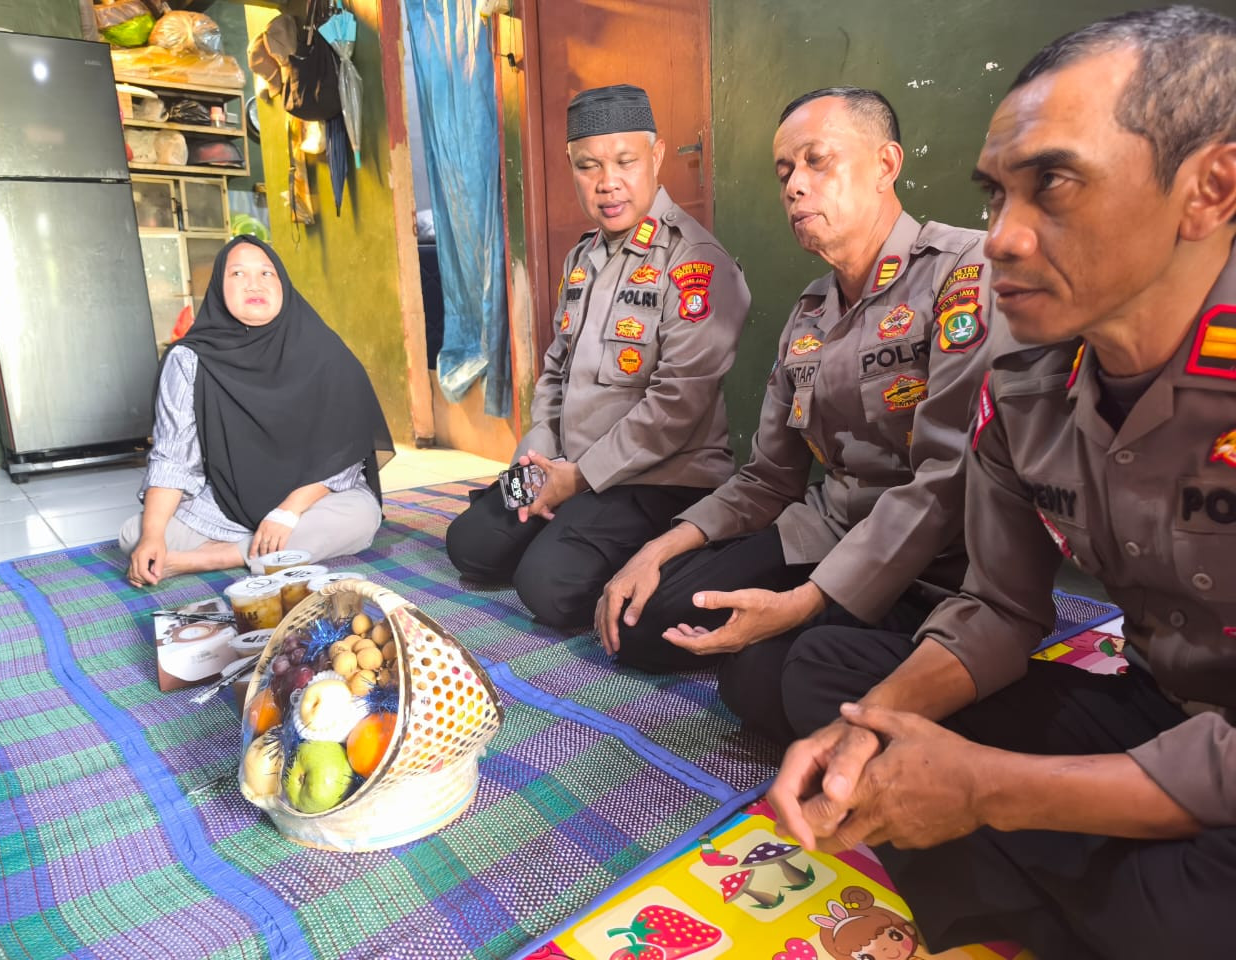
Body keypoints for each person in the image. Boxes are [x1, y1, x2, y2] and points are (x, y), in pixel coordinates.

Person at [767, 8, 1236, 958]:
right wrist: (883, 730)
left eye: (1055, 184)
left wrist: (986, 788)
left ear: (1209, 190)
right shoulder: (1023, 373)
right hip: (1161, 702)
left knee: (1185, 907)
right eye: (996, 196)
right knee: (842, 690)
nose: (1003, 240)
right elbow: (1000, 607)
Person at [598, 87, 1004, 741]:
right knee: (645, 619)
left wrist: (800, 605)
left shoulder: (962, 272)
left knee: (757, 681)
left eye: (818, 162)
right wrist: (660, 547)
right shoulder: (810, 312)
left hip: (935, 559)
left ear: (885, 164)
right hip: (829, 532)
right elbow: (769, 479)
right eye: (785, 171)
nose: (794, 187)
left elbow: (948, 480)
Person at [445, 84, 750, 629]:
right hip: (565, 465)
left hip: (656, 479)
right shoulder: (582, 257)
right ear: (571, 165)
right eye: (588, 166)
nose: (607, 183)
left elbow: (676, 408)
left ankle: (616, 538)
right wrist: (536, 452)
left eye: (625, 161)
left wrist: (577, 478)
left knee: (548, 587)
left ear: (655, 156)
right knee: (468, 543)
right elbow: (556, 369)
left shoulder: (697, 262)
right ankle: (559, 518)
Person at [121, 235, 392, 586]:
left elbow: (345, 455)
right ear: (219, 288)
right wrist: (153, 536)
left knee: (360, 518)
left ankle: (212, 558)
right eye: (237, 274)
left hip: (308, 501)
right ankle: (262, 552)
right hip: (224, 503)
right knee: (134, 536)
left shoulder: (326, 353)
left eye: (267, 273)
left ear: (284, 286)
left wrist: (287, 511)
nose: (254, 283)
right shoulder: (189, 360)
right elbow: (174, 458)